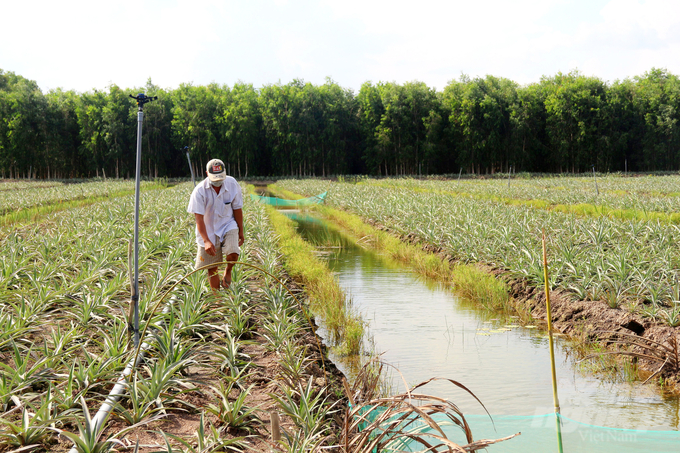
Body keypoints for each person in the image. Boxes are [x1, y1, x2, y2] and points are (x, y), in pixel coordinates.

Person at [187, 158, 244, 291]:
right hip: (208, 229)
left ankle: (228, 270)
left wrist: (241, 231)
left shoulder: (232, 184)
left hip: (228, 224)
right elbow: (199, 219)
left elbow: (237, 209)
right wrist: (206, 241)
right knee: (212, 267)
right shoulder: (199, 191)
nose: (218, 182)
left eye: (220, 178)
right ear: (207, 174)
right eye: (214, 179)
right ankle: (217, 299)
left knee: (233, 253)